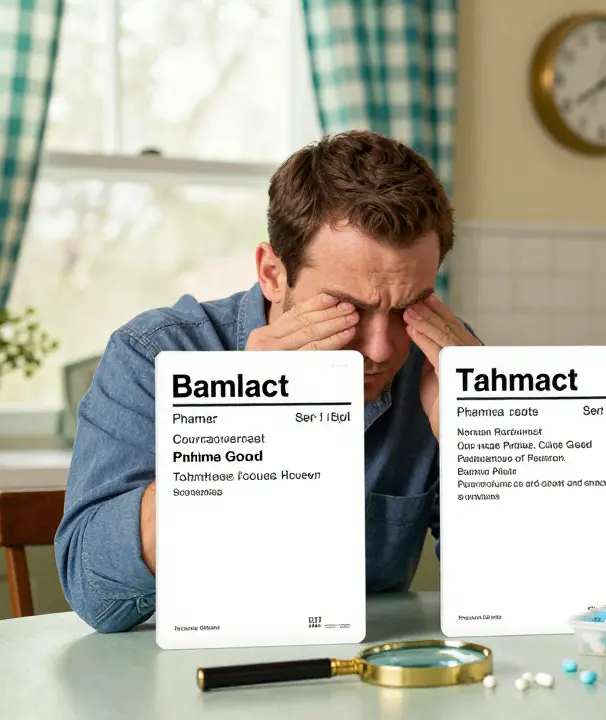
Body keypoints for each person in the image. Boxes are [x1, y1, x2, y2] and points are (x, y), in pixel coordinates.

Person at [55, 130, 481, 633]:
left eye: (406, 306)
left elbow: (516, 587)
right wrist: (242, 423)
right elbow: (95, 592)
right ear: (272, 273)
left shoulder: (440, 361)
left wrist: (487, 437)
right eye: (348, 308)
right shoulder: (154, 354)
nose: (382, 348)